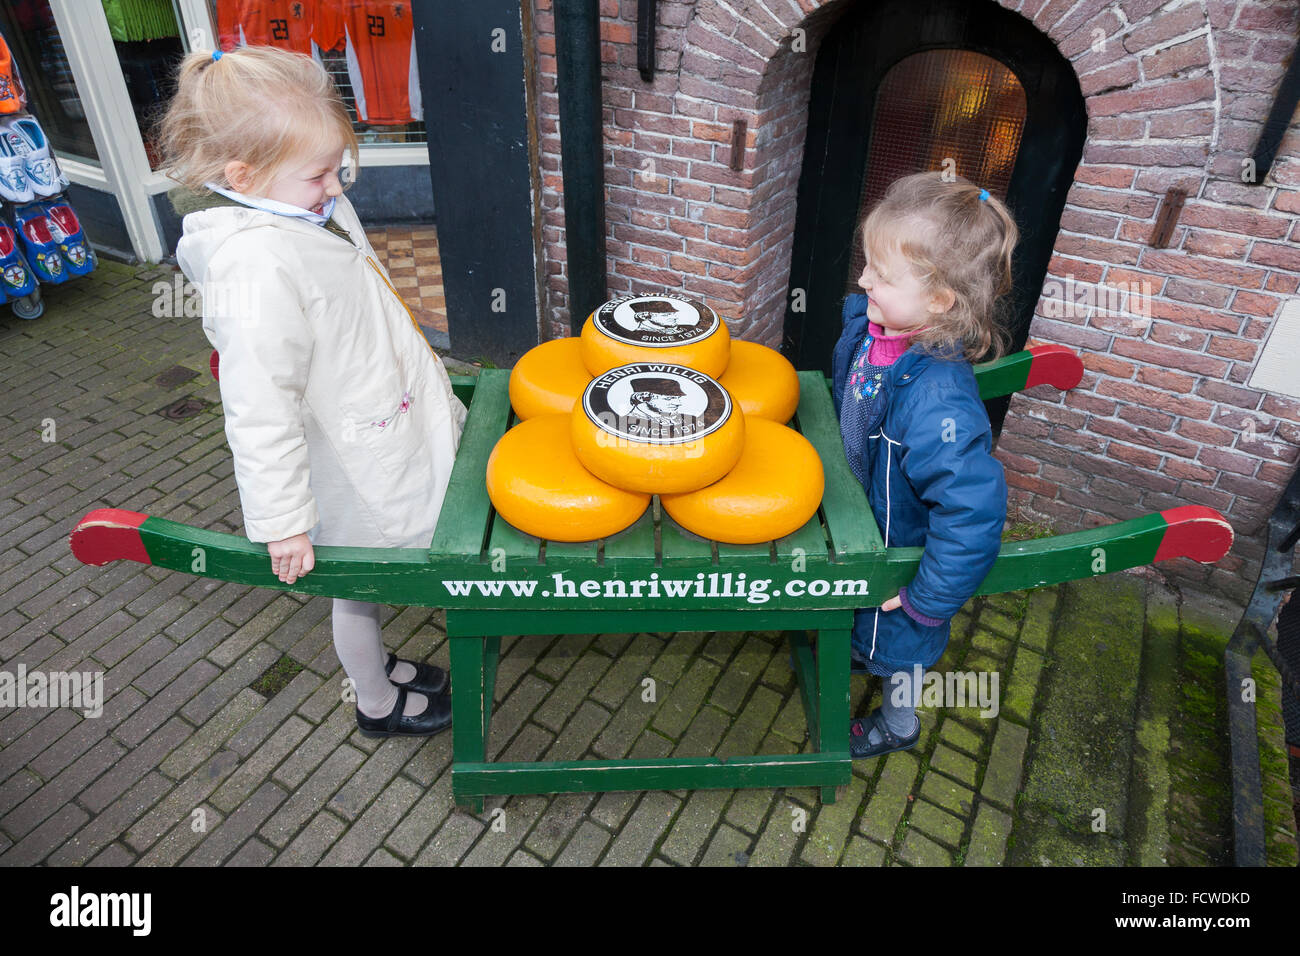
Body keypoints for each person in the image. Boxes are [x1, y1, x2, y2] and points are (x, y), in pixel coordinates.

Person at [158, 45, 467, 738]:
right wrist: (282, 522)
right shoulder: (256, 263)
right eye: (320, 174)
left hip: (380, 414)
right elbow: (259, 403)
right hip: (349, 461)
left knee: (372, 584)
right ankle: (376, 701)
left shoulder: (297, 205)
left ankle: (383, 670)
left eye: (339, 167)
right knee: (356, 591)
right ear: (243, 175)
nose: (336, 186)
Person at [831, 171, 1015, 759]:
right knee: (869, 629)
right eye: (867, 265)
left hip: (902, 552)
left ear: (938, 301)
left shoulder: (940, 402)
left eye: (881, 276)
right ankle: (858, 652)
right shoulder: (875, 328)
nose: (863, 281)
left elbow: (971, 514)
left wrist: (925, 597)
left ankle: (900, 723)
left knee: (904, 644)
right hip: (868, 519)